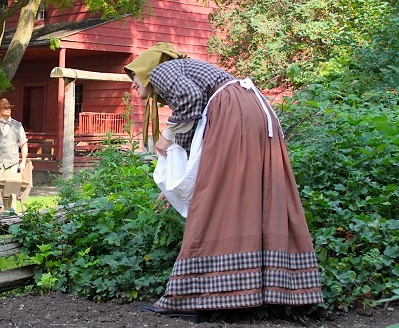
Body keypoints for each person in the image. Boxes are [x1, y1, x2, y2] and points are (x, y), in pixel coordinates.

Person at [124, 43, 323, 316]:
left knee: (214, 202)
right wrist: (171, 190)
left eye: (133, 76)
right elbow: (194, 155)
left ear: (147, 70)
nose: (133, 86)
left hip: (234, 112)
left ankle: (196, 295)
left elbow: (189, 97)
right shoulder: (188, 90)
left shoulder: (163, 71)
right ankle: (272, 290)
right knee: (245, 197)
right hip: (253, 110)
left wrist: (166, 135)